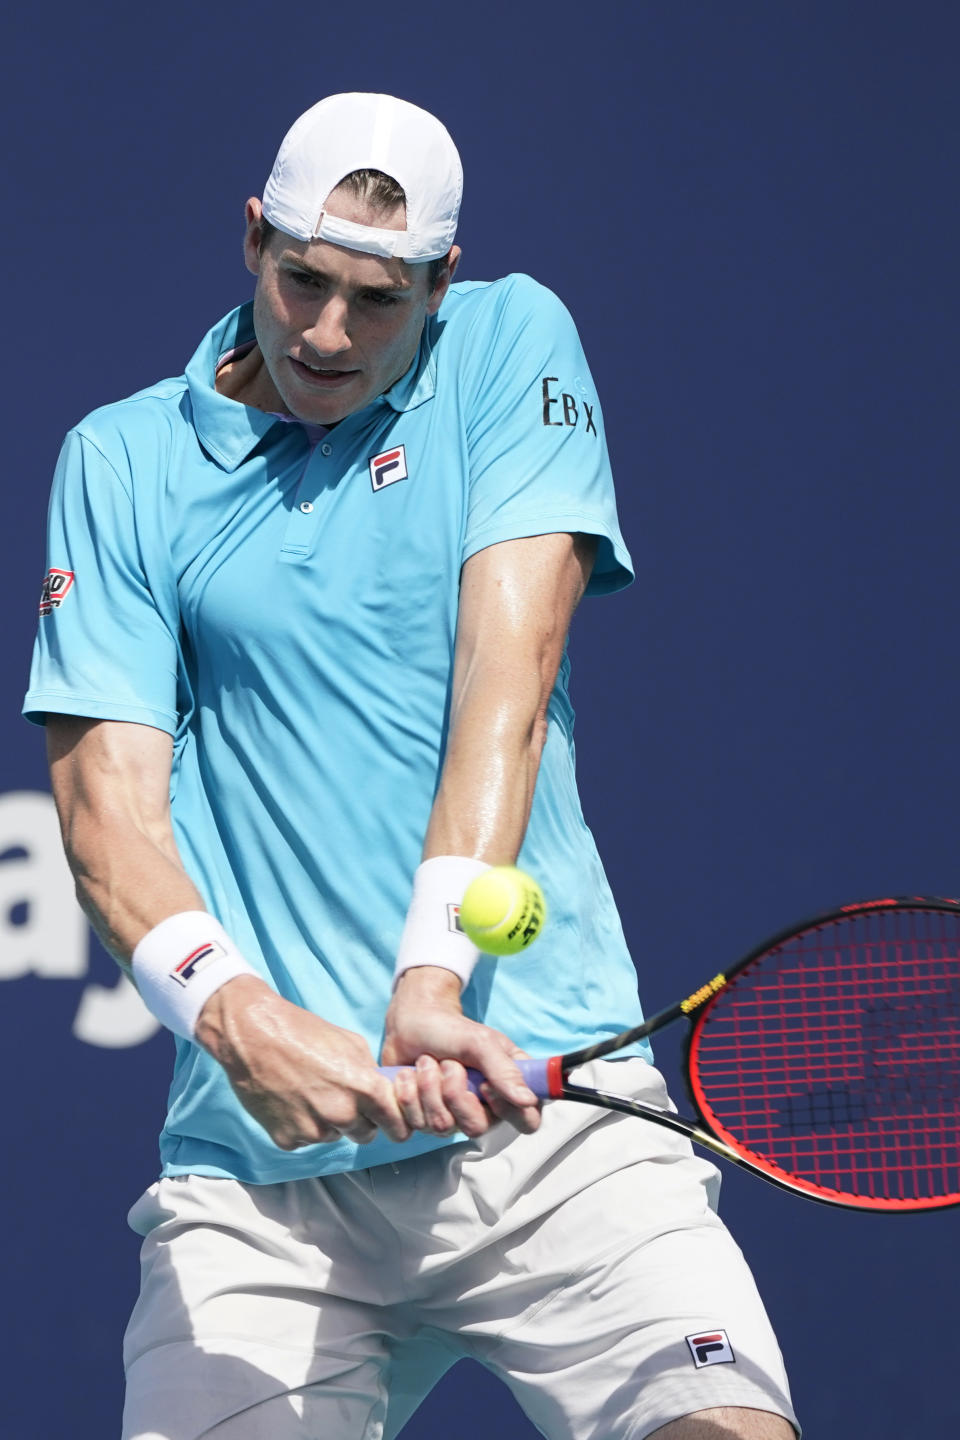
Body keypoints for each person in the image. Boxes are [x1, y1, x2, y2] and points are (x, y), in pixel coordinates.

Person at [24, 93, 799, 1440]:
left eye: (376, 301)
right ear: (251, 239)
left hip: (549, 1119)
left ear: (442, 281)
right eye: (302, 280)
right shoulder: (123, 462)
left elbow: (505, 691)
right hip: (266, 1193)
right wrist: (240, 1019)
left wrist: (428, 978)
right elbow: (107, 819)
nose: (326, 333)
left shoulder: (511, 344)